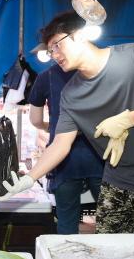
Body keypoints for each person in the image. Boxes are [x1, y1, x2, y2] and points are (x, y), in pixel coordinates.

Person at [0, 11, 134, 234]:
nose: (54, 55)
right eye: (50, 51)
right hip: (117, 182)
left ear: (80, 35)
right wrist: (30, 178)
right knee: (110, 253)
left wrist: (128, 119)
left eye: (57, 46)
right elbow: (61, 144)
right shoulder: (71, 94)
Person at [28, 63, 104, 234]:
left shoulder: (46, 76)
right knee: (111, 218)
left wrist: (53, 127)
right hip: (101, 156)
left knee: (67, 221)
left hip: (63, 160)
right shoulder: (99, 71)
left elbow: (35, 120)